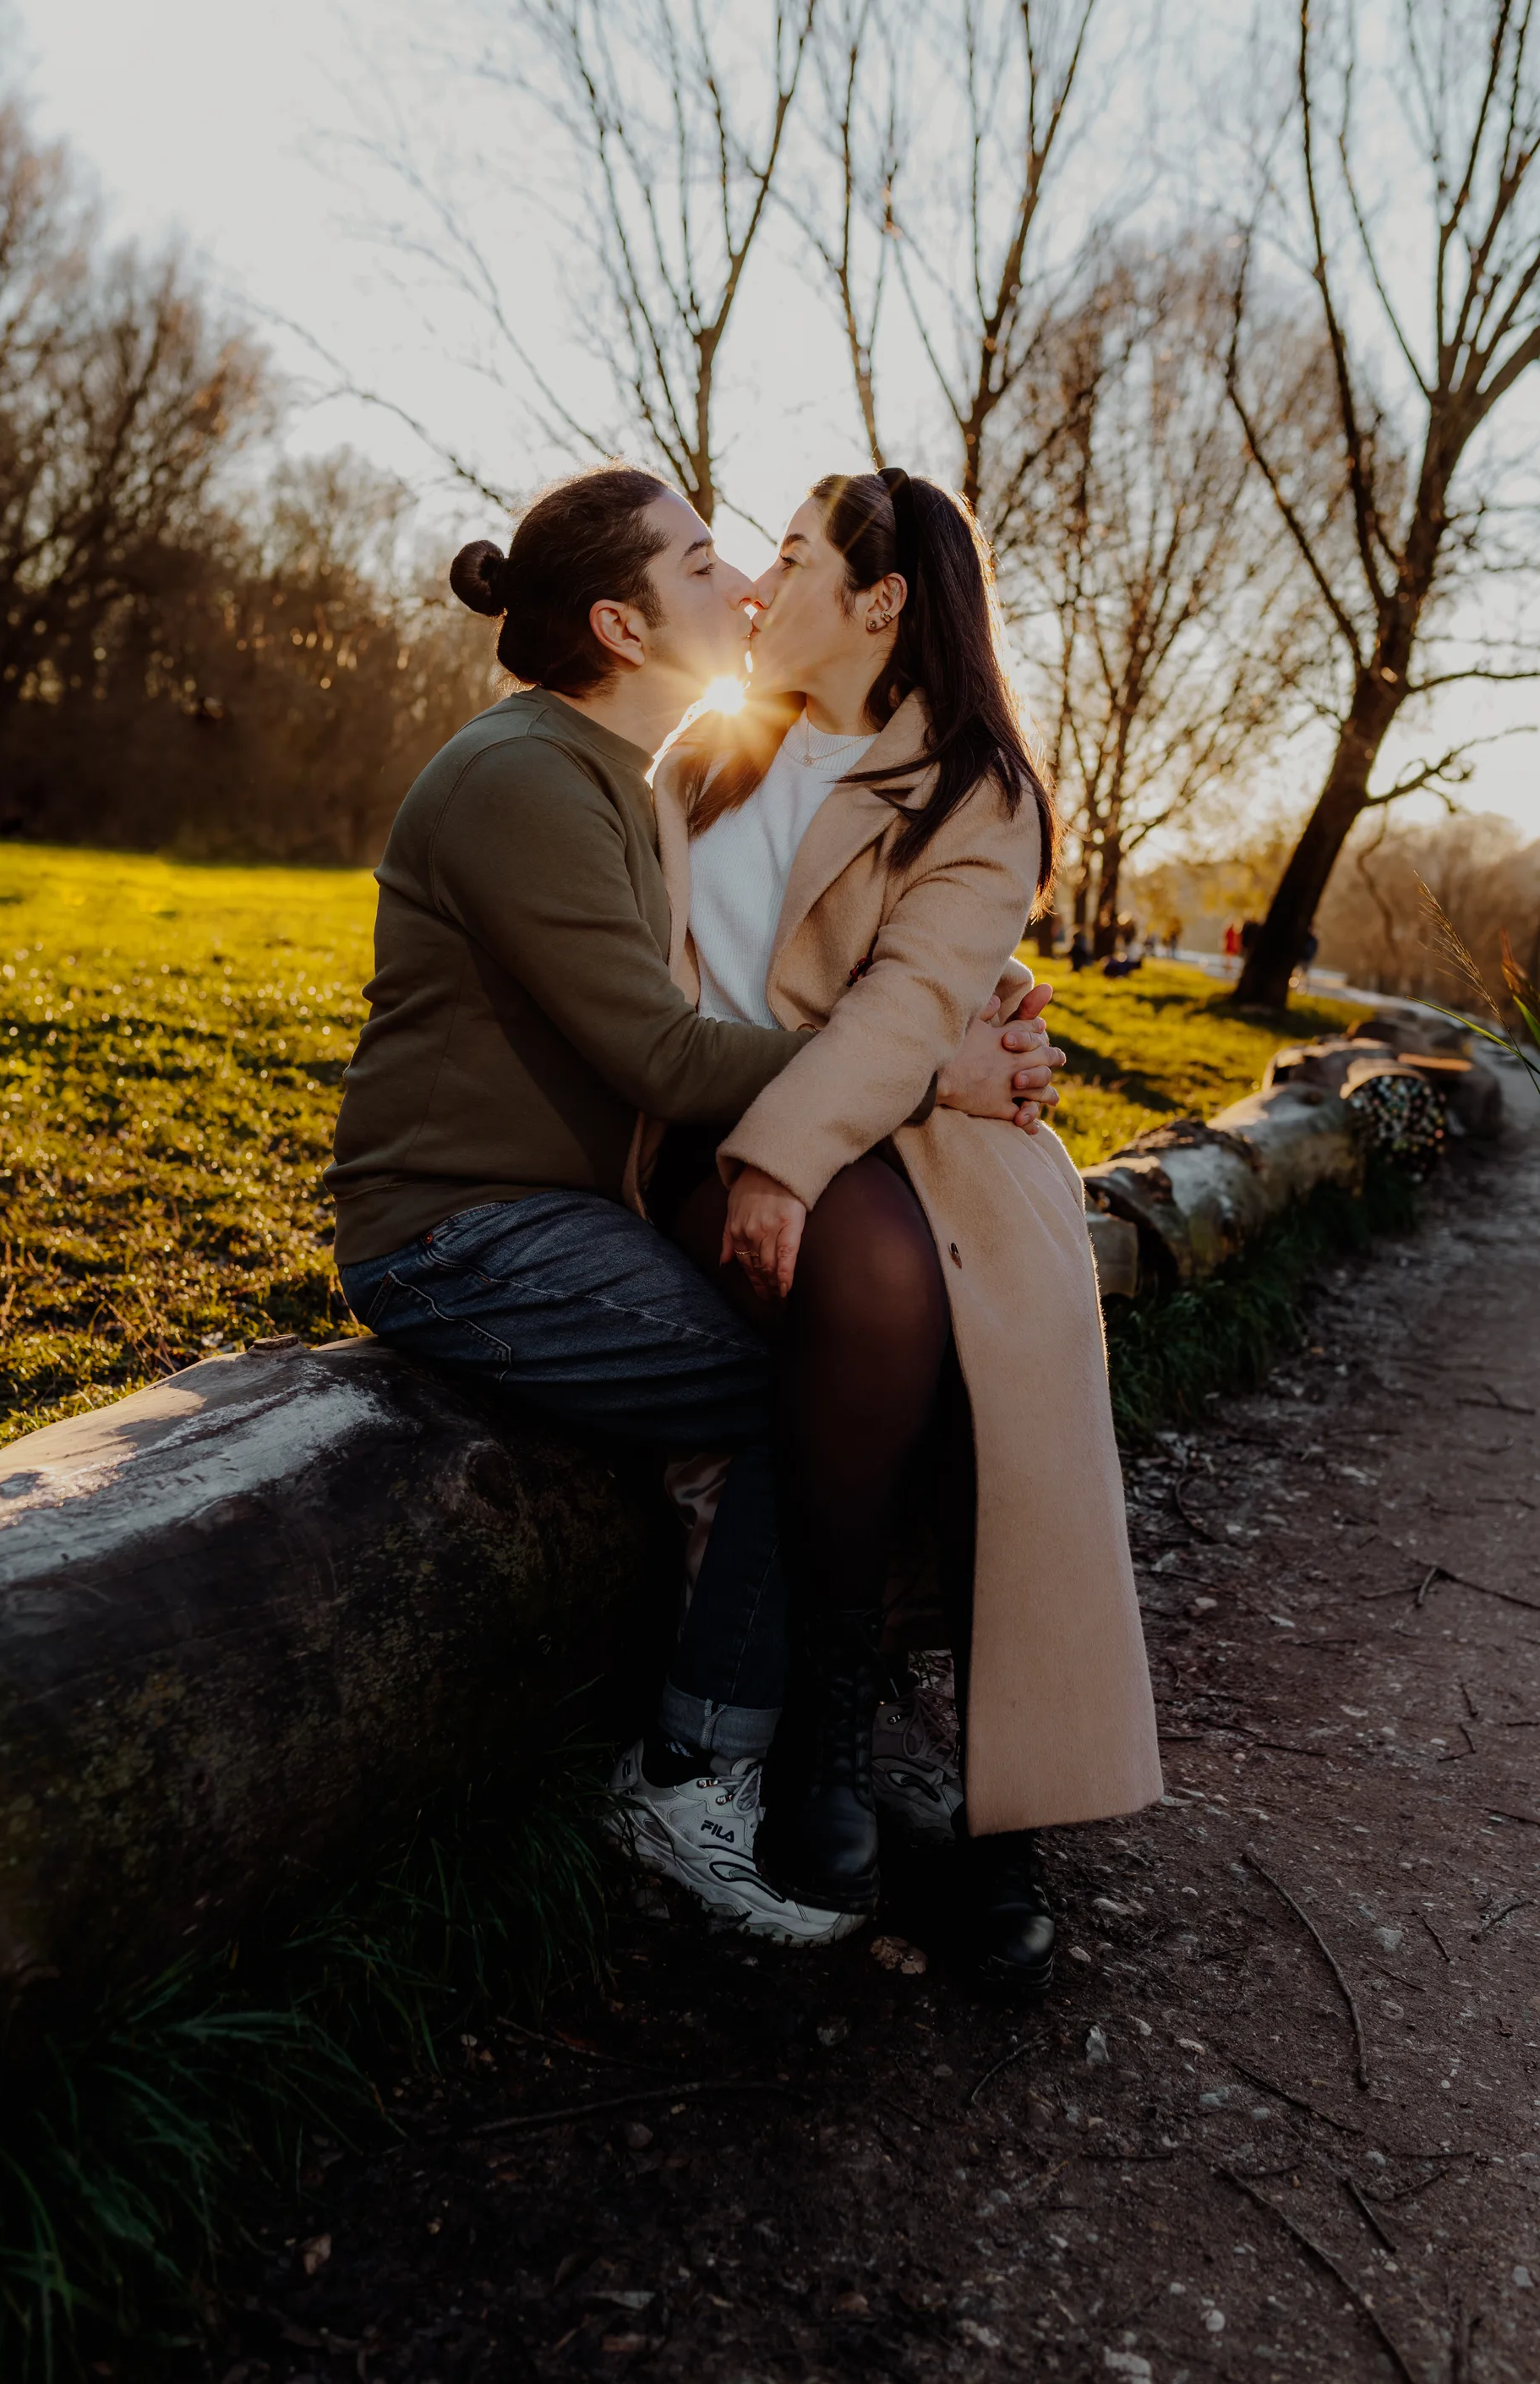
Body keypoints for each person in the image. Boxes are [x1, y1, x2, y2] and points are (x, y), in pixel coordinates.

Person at [325, 463, 1067, 1949]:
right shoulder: (535, 778)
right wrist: (933, 1079)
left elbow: (869, 955)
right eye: (710, 561)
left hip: (562, 1210)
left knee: (877, 1350)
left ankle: (913, 1775)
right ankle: (697, 1765)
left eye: (765, 559)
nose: (740, 587)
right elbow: (661, 1048)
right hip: (461, 1227)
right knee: (805, 1386)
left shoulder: (640, 767)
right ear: (616, 621)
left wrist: (965, 1021)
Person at [620, 468, 1160, 1997]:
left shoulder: (977, 789)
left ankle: (999, 1813)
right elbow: (661, 1002)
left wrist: (842, 1127)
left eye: (790, 561)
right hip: (728, 1146)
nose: (756, 589)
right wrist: (779, 1158)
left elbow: (913, 997)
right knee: (871, 1275)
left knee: (991, 1335)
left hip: (929, 1154)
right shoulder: (702, 760)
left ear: (880, 602)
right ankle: (831, 1724)